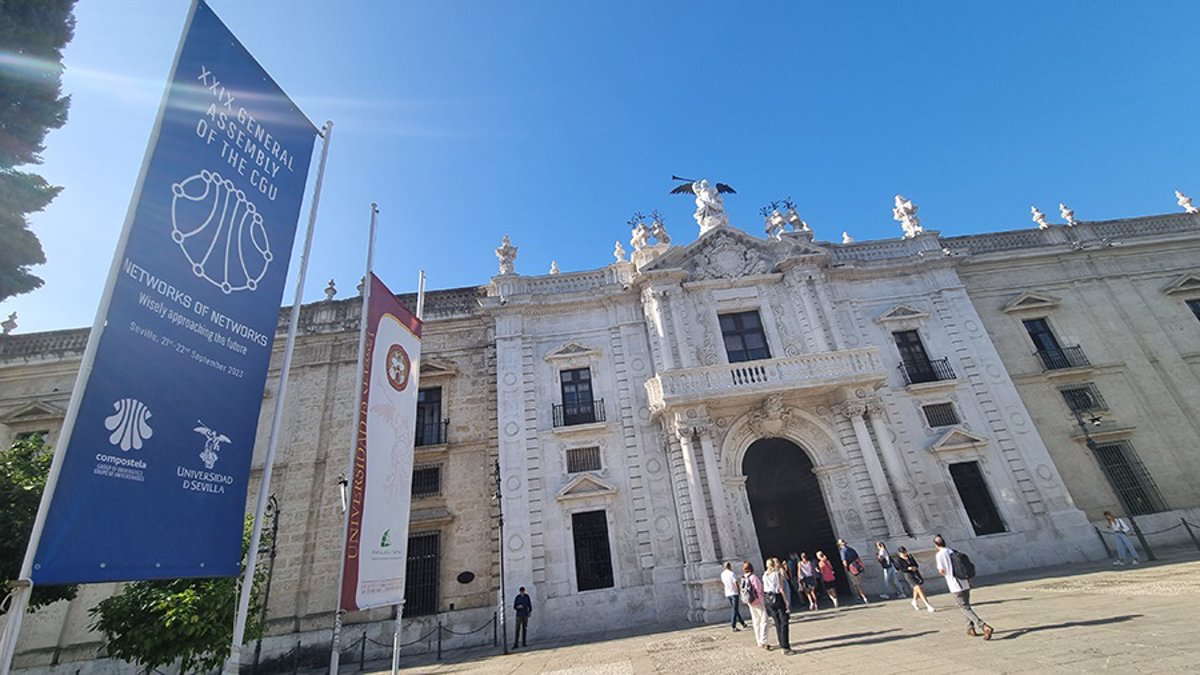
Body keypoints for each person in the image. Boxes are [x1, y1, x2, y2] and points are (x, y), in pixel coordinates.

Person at [934, 535, 993, 640]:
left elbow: (941, 571)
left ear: (936, 545)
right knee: (966, 606)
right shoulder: (954, 551)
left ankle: (984, 626)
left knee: (964, 608)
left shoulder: (939, 555)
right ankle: (970, 628)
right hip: (965, 582)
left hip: (955, 585)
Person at [762, 557, 795, 654]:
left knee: (777, 622)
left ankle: (781, 643)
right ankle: (786, 647)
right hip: (777, 598)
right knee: (784, 621)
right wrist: (786, 601)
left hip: (768, 599)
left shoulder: (764, 575)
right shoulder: (776, 574)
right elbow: (781, 589)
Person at [895, 546, 934, 613]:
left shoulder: (910, 557)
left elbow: (916, 564)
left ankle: (914, 601)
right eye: (902, 553)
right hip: (908, 575)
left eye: (904, 552)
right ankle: (927, 604)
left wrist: (914, 567)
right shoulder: (899, 560)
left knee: (916, 589)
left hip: (915, 574)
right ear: (899, 553)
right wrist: (908, 568)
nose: (904, 554)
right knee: (918, 588)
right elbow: (900, 569)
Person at [741, 561, 770, 650]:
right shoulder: (753, 577)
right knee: (764, 621)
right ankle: (764, 641)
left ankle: (759, 641)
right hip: (758, 601)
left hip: (750, 602)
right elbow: (759, 590)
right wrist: (763, 601)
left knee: (756, 621)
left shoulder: (743, 578)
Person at [837, 539, 870, 604]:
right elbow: (858, 558)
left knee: (857, 584)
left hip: (851, 568)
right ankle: (859, 596)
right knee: (857, 583)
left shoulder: (843, 551)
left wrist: (846, 569)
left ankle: (863, 597)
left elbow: (844, 562)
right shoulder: (851, 549)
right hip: (857, 567)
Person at [720, 561, 748, 631]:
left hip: (728, 593)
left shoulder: (722, 574)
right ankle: (733, 626)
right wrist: (739, 591)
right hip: (734, 593)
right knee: (735, 610)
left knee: (735, 609)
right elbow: (736, 583)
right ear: (730, 566)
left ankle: (742, 623)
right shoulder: (732, 574)